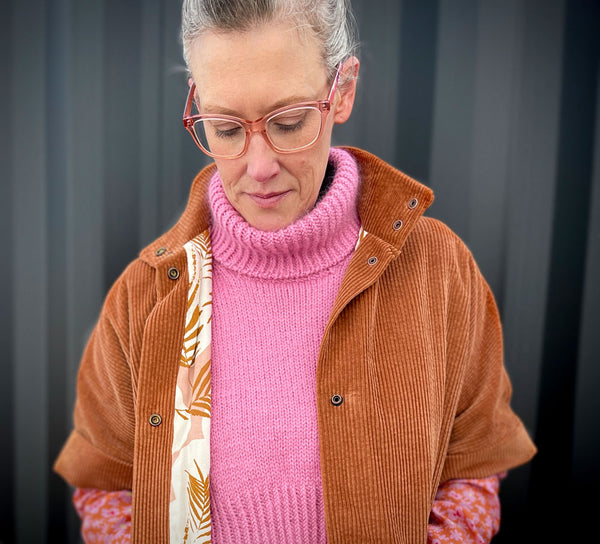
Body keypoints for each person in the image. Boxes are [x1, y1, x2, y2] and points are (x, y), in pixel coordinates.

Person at [54, 0, 537, 542]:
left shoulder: (438, 270)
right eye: (226, 128)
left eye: (289, 122)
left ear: (343, 90)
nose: (259, 168)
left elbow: (474, 461)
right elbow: (103, 484)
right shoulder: (142, 299)